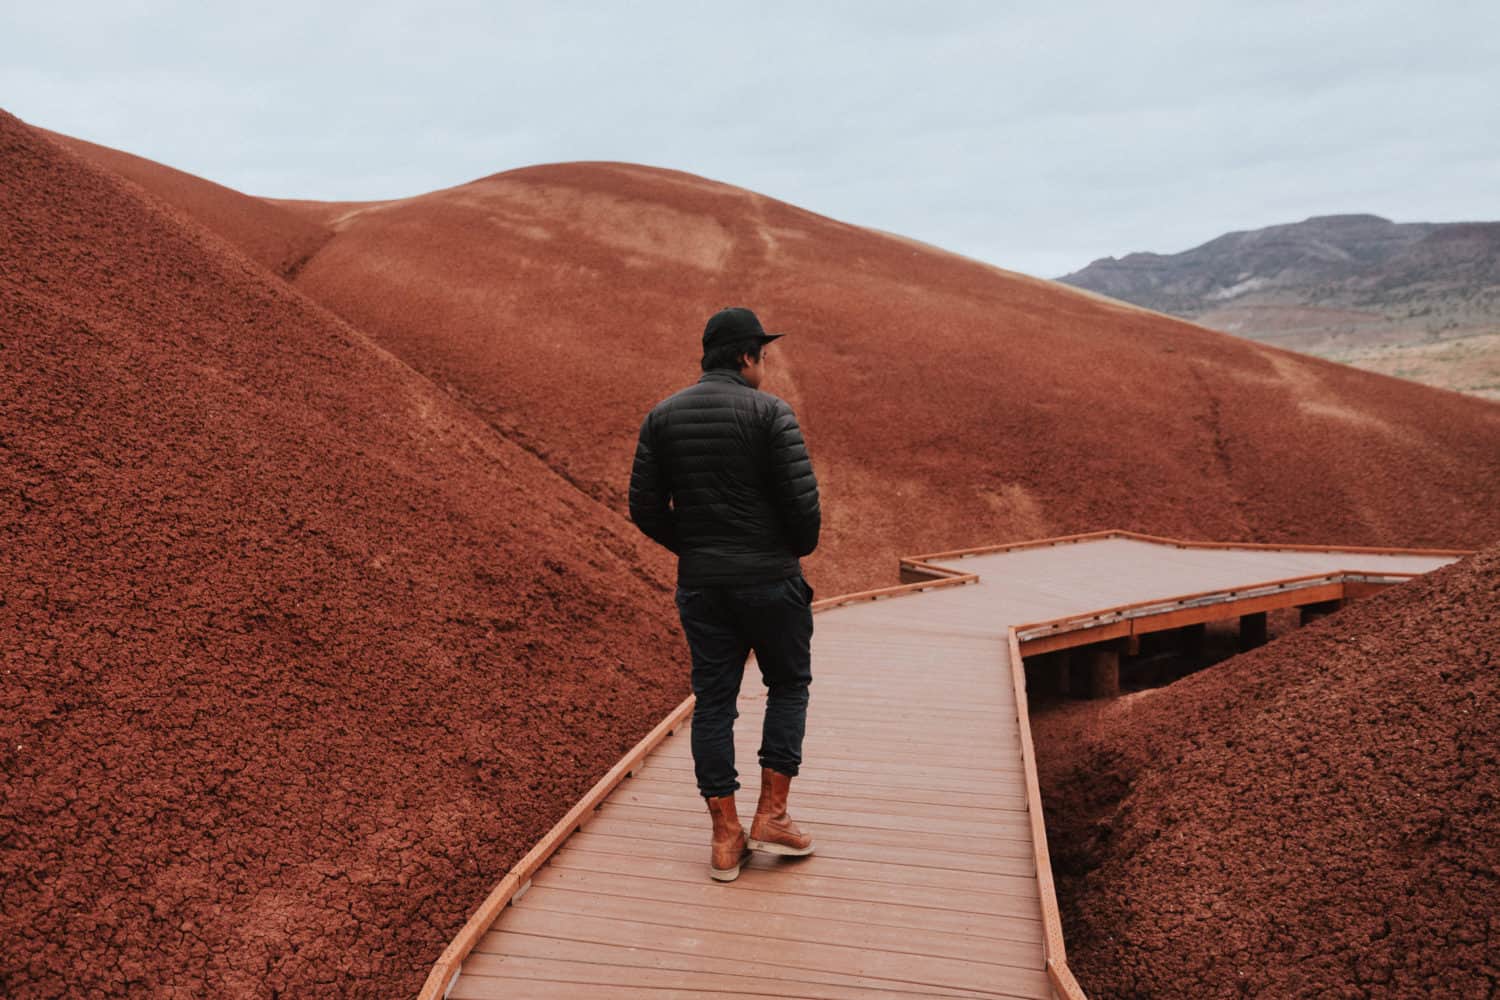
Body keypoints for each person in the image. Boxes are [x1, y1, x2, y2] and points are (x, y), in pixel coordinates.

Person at [629, 306, 821, 882]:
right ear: (745, 356)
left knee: (714, 702)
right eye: (762, 354)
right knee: (788, 685)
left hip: (703, 587)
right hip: (770, 581)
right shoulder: (771, 413)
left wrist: (698, 548)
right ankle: (773, 815)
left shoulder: (662, 416)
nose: (766, 364)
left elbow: (644, 509)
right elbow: (804, 514)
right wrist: (780, 549)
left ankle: (724, 835)